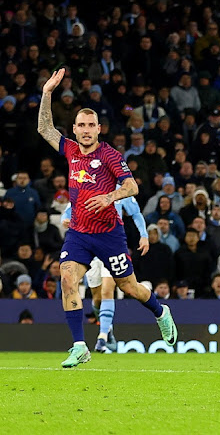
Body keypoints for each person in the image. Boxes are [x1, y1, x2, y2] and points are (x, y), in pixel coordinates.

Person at [37, 69, 177, 368]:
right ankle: (79, 346)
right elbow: (46, 130)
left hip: (109, 234)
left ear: (99, 129)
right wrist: (47, 93)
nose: (86, 129)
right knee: (67, 278)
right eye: (81, 125)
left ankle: (160, 312)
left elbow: (132, 186)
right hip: (78, 233)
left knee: (130, 287)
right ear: (74, 129)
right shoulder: (71, 150)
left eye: (91, 125)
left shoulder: (111, 155)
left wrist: (110, 197)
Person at [61, 182, 150, 353]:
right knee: (97, 297)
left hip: (111, 245)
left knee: (109, 288)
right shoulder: (84, 187)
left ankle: (101, 338)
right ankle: (107, 328)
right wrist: (65, 220)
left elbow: (136, 213)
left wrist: (144, 235)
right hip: (89, 245)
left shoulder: (121, 190)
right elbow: (68, 211)